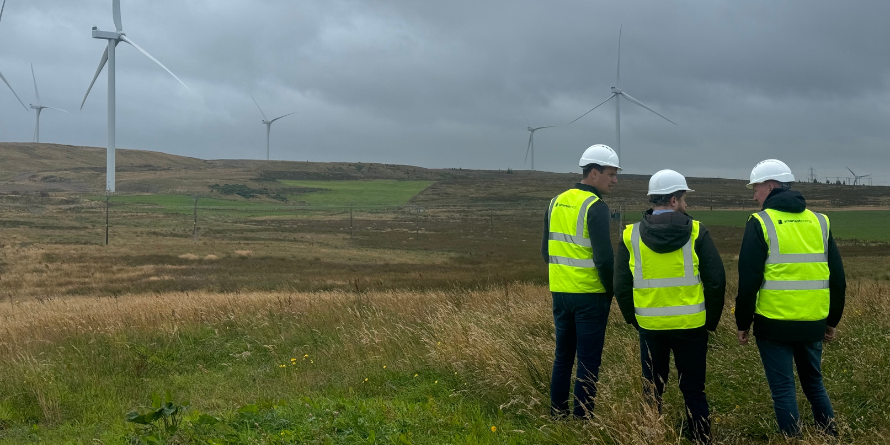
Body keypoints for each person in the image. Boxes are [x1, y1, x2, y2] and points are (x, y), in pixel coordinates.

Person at [736, 159, 845, 437]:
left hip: (773, 324)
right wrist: (832, 320)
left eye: (756, 187)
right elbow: (838, 278)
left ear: (771, 185)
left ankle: (793, 440)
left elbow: (748, 281)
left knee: (783, 390)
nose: (754, 195)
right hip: (813, 322)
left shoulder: (760, 222)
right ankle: (830, 436)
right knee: (814, 384)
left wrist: (743, 322)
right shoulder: (820, 222)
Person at [614, 169, 725, 443]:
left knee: (652, 389)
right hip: (691, 327)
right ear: (674, 200)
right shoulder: (697, 231)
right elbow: (716, 281)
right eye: (684, 197)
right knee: (693, 389)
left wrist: (633, 318)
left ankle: (652, 437)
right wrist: (709, 321)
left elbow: (620, 284)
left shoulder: (631, 235)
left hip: (651, 327)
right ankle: (701, 438)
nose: (686, 203)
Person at [542, 144, 619, 418]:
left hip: (560, 293)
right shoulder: (596, 207)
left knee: (563, 356)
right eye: (611, 173)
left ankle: (557, 414)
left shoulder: (555, 201)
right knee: (588, 361)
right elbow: (604, 259)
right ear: (594, 172)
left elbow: (545, 251)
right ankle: (583, 417)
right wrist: (612, 290)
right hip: (590, 295)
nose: (615, 180)